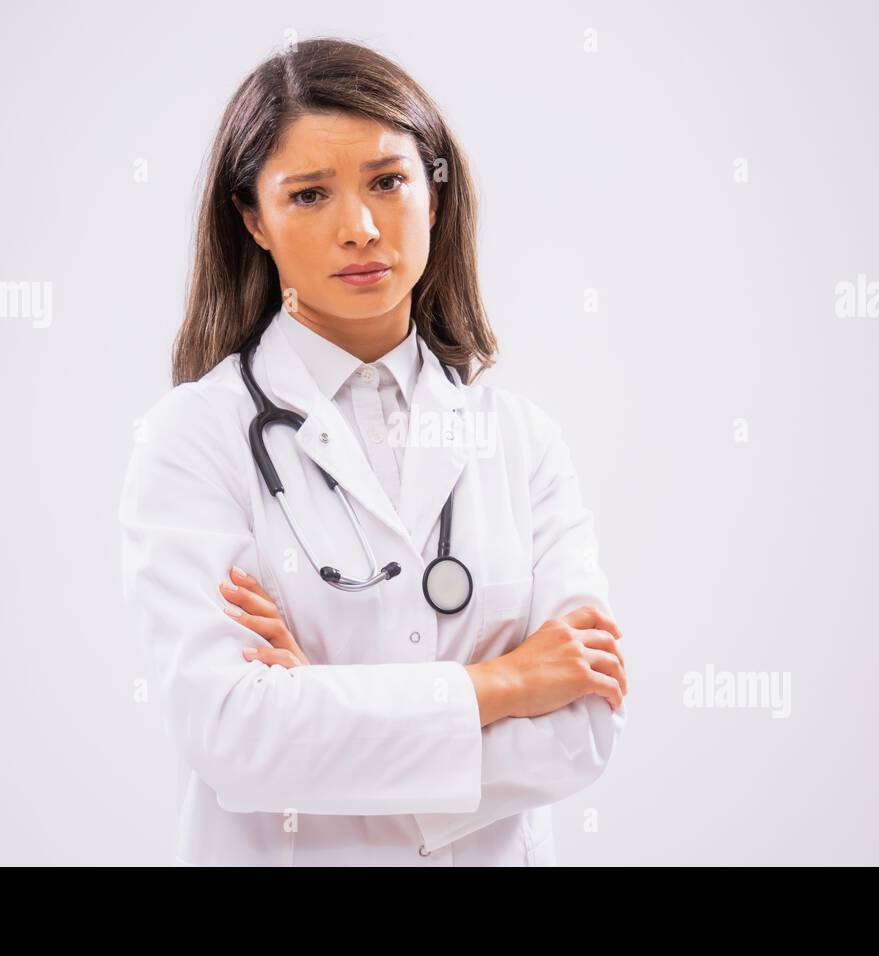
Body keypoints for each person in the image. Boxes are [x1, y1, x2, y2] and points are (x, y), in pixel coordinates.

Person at [118, 37, 628, 866]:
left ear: (433, 193)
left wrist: (320, 712)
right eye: (310, 194)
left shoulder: (523, 444)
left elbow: (583, 730)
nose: (359, 229)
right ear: (254, 219)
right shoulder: (193, 441)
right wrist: (505, 686)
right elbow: (239, 739)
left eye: (387, 181)